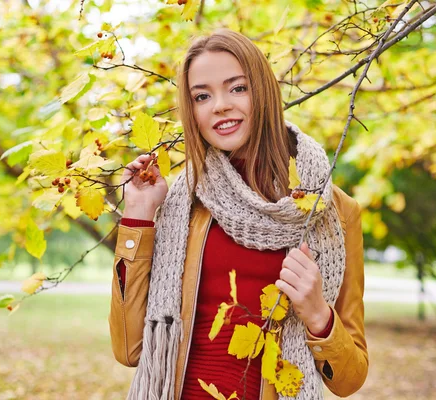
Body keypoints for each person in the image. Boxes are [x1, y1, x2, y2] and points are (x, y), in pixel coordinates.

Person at [108, 29, 368, 400]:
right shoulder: (183, 201)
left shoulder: (333, 212)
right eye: (202, 95)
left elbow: (350, 379)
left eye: (237, 88)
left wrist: (319, 316)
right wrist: (138, 214)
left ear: (263, 91)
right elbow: (129, 349)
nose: (220, 105)